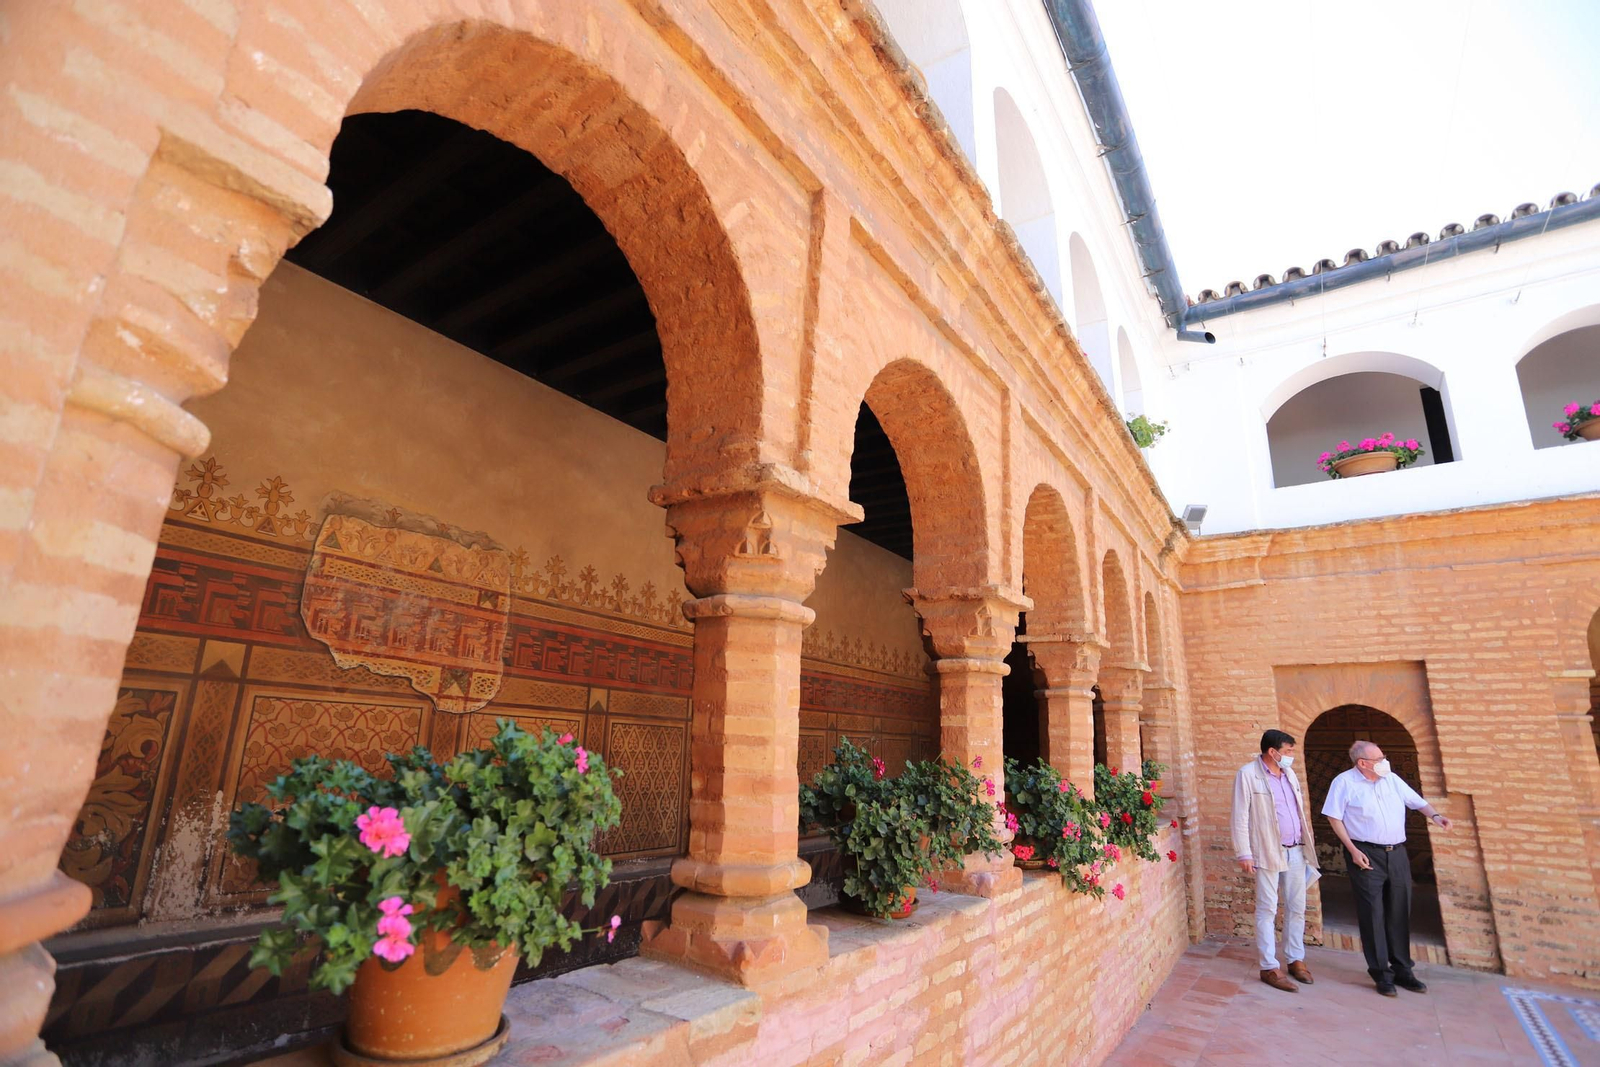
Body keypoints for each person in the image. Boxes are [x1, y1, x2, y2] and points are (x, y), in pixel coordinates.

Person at [1321, 739, 1452, 997]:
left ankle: (1404, 969)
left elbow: (1416, 802)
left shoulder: (1391, 779)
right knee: (1373, 913)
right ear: (1362, 763)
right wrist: (1353, 850)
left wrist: (1436, 816)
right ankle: (1382, 973)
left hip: (1397, 853)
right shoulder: (1344, 782)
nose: (1384, 762)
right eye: (1379, 759)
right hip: (1365, 853)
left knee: (1399, 909)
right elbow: (1333, 817)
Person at [1230, 728, 1320, 993]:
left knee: (1297, 906)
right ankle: (1269, 966)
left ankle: (1295, 959)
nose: (1291, 756)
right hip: (1267, 850)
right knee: (1267, 908)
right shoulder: (1248, 775)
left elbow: (1297, 810)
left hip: (1296, 850)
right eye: (1288, 751)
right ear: (1273, 752)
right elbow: (1240, 816)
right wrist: (1244, 852)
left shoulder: (1289, 774)